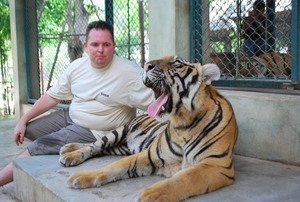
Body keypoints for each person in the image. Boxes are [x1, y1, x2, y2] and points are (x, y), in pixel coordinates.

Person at [0, 20, 154, 186]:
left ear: (114, 45)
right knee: (29, 130)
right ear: (86, 46)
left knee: (38, 146)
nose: (100, 50)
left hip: (95, 131)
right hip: (71, 115)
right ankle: (56, 146)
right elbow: (52, 97)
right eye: (95, 44)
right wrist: (23, 120)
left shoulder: (129, 74)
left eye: (106, 44)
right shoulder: (77, 66)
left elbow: (161, 101)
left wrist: (155, 76)